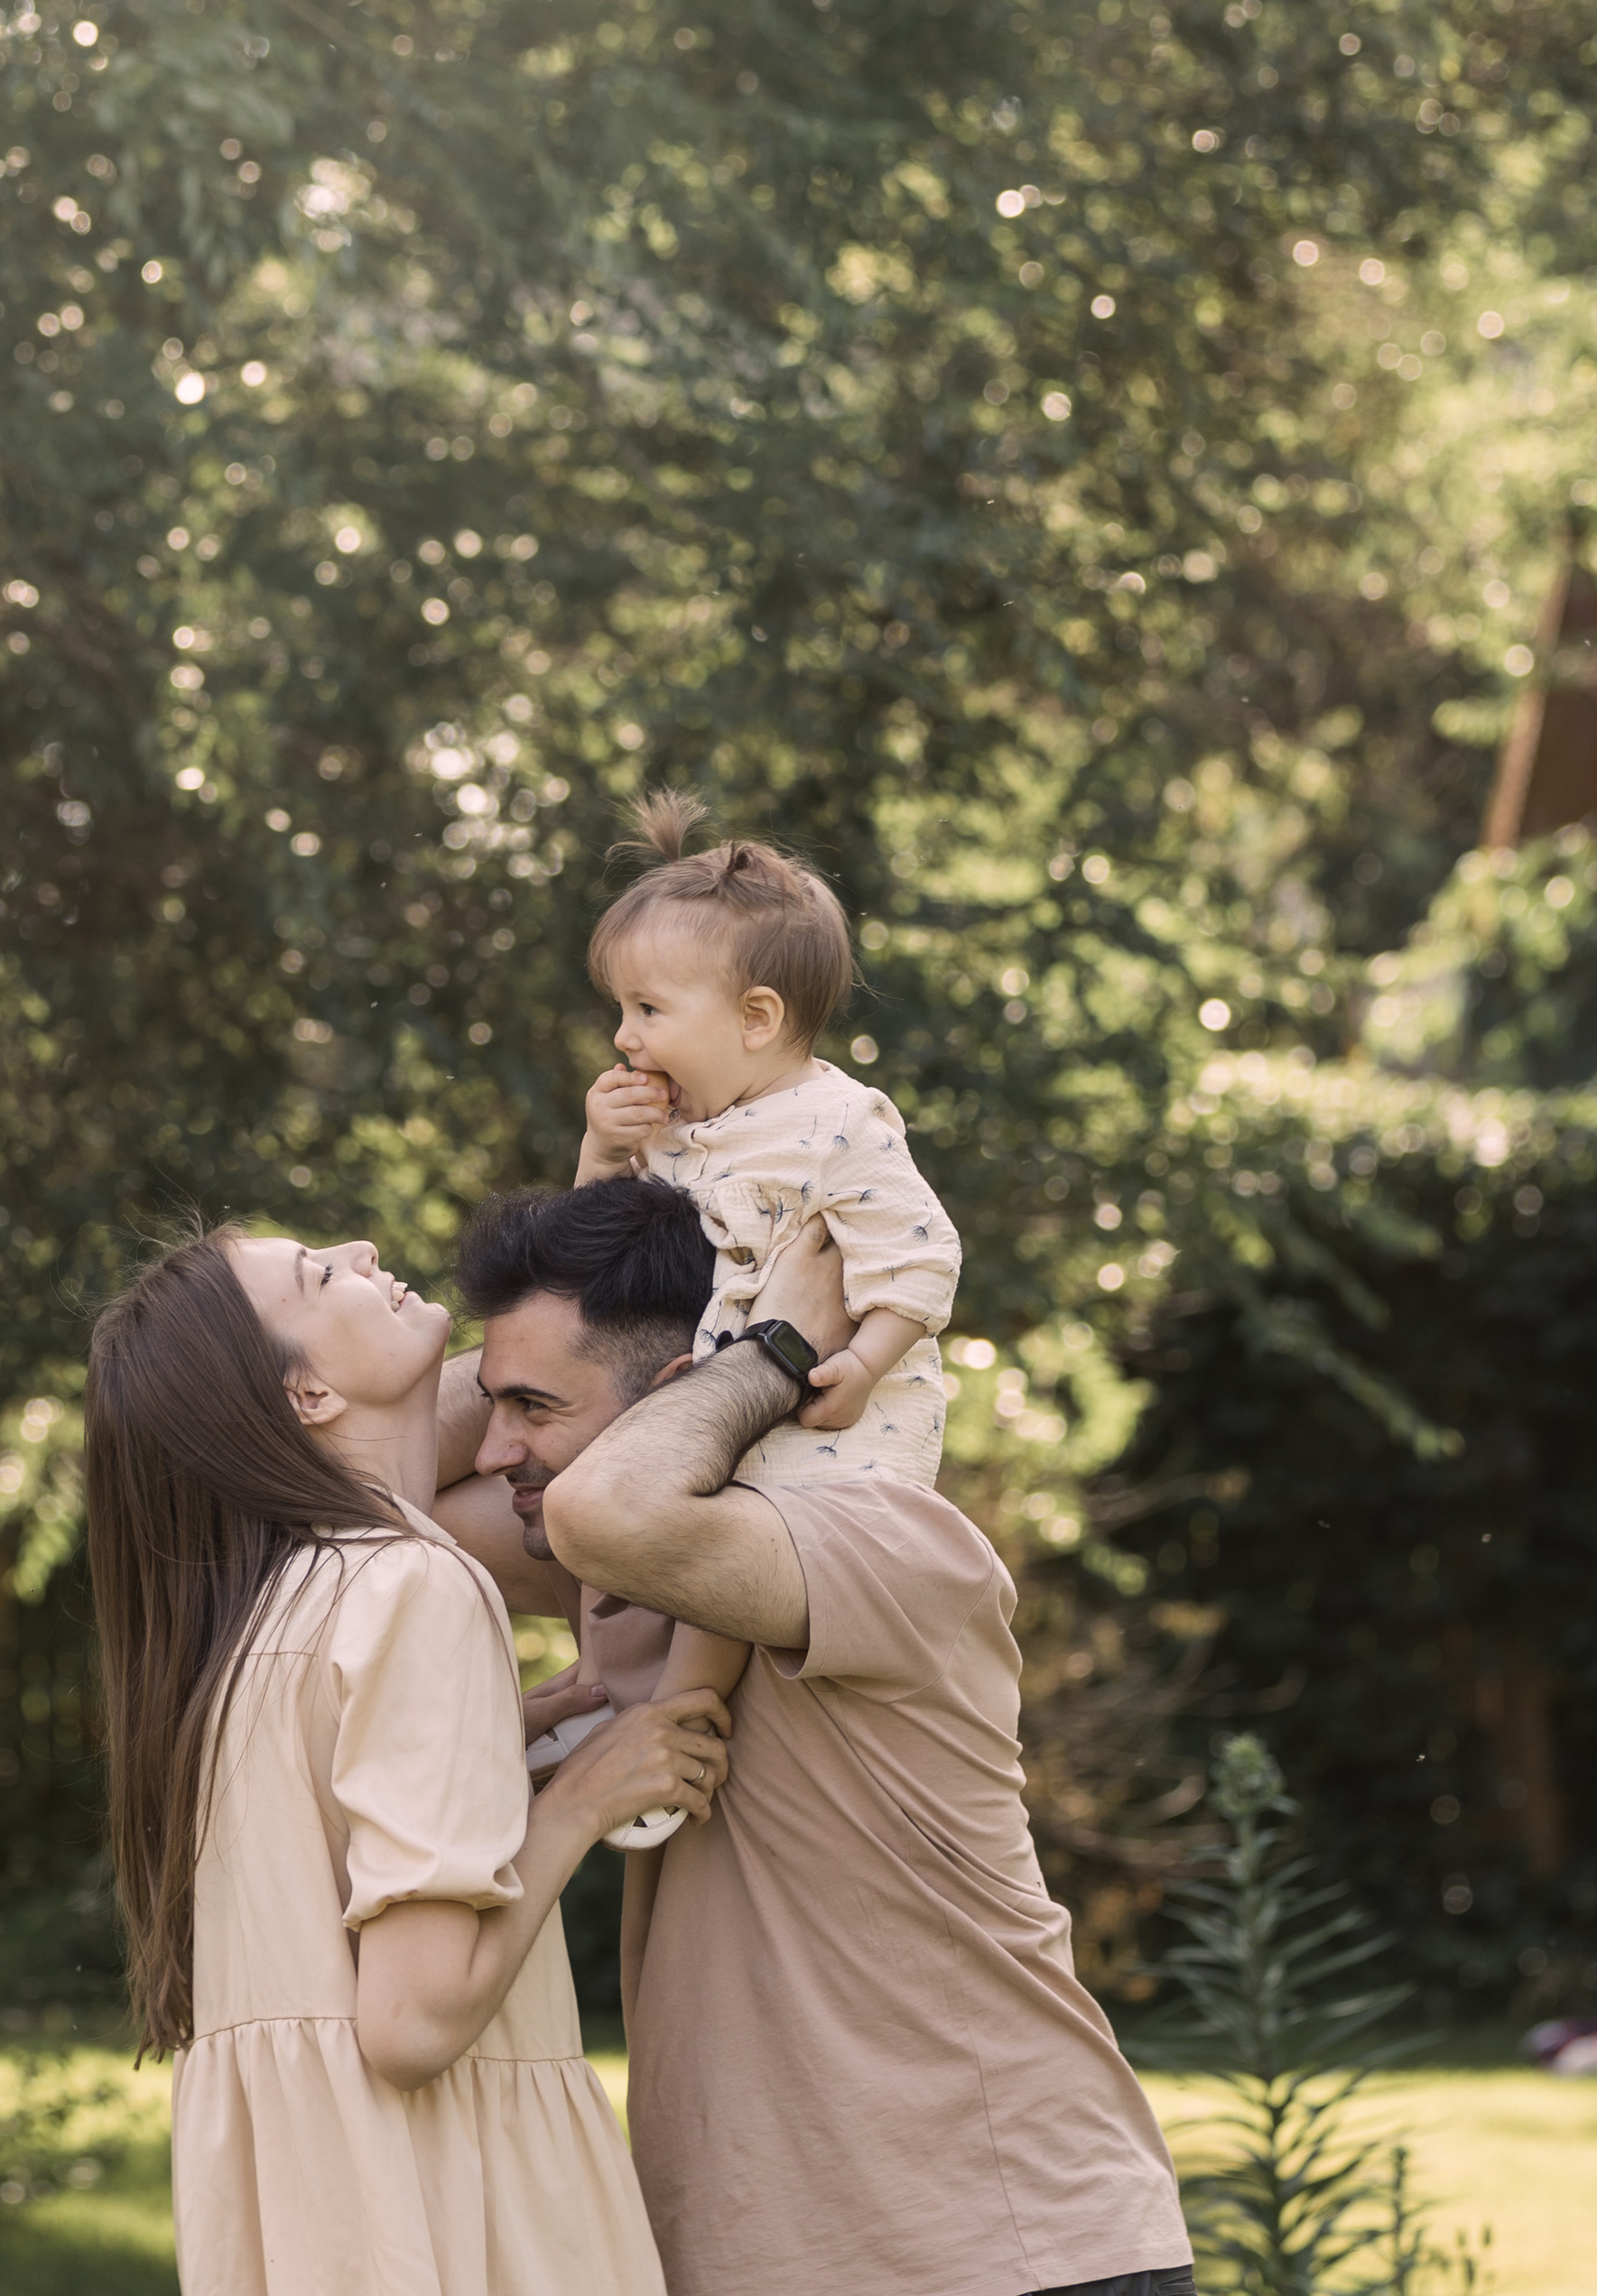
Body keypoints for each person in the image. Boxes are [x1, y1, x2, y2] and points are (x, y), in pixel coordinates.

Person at [434, 1180, 1195, 2296]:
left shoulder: (883, 1543)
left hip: (1000, 2251)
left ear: (682, 1393)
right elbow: (338, 1479)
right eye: (494, 1404)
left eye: (534, 1408)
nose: (498, 1449)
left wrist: (767, 1343)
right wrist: (574, 1341)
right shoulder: (616, 1569)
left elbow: (613, 1508)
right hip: (763, 2258)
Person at [83, 1224, 731, 2296]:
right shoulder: (409, 1589)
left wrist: (490, 1754)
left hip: (317, 2221)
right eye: (316, 1274)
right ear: (305, 1396)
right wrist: (579, 1800)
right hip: (440, 2213)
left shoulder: (261, 1615)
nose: (360, 1245)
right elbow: (409, 2021)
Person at [558, 791, 966, 1778]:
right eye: (622, 1009)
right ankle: (616, 1706)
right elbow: (591, 1251)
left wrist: (862, 1366)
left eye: (648, 1010)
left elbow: (922, 1255)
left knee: (708, 1588)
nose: (623, 1037)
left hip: (833, 1434)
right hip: (713, 1412)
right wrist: (598, 1149)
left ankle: (670, 1735)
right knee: (642, 1564)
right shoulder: (674, 1131)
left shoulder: (841, 1125)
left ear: (755, 1018)